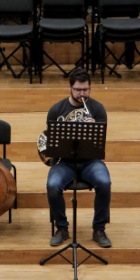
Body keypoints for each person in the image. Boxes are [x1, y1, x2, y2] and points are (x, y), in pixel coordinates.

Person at [47, 68, 112, 248]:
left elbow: (101, 144)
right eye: (78, 89)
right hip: (65, 161)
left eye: (86, 89)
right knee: (52, 185)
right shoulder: (57, 110)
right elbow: (52, 143)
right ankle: (62, 228)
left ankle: (99, 229)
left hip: (90, 160)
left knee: (104, 183)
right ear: (70, 87)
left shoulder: (97, 109)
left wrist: (94, 129)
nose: (82, 94)